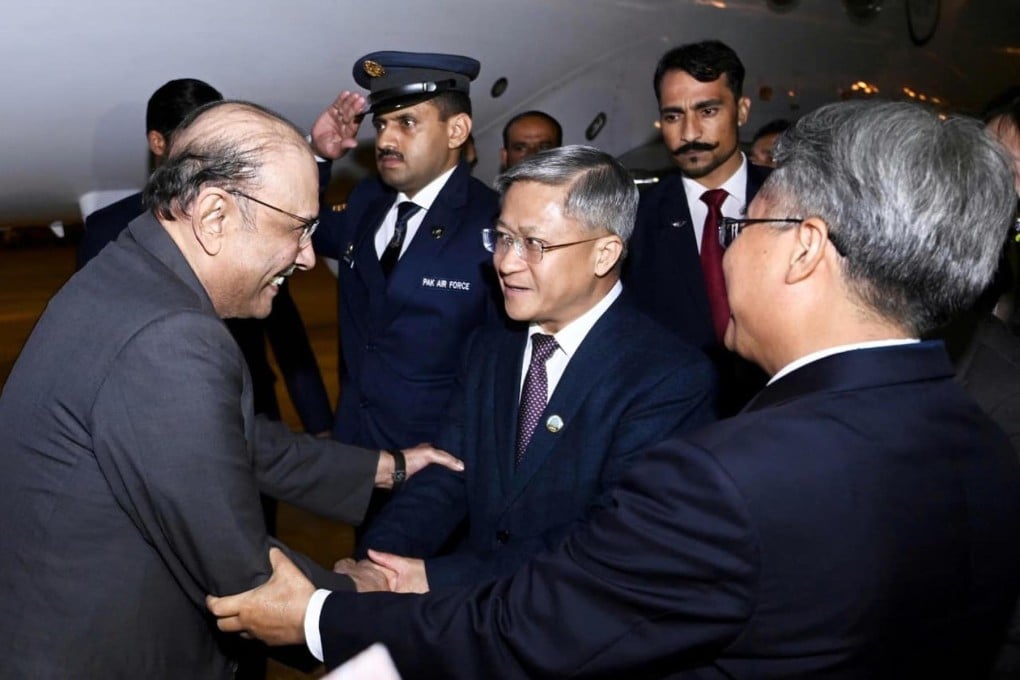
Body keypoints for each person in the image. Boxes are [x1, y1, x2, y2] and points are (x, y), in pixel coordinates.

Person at [209, 100, 1020, 679]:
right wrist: (388, 562)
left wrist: (322, 615)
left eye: (743, 229)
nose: (724, 254)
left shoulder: (730, 469)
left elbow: (545, 623)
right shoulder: (981, 437)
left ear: (805, 249)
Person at [0, 100, 462, 679]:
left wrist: (386, 466)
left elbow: (232, 442)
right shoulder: (171, 338)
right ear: (215, 215)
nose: (306, 258)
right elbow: (241, 575)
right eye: (298, 229)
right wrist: (358, 595)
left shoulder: (129, 270)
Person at [353, 145, 717, 592]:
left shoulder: (668, 378)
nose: (505, 263)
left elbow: (613, 539)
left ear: (604, 255)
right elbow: (449, 474)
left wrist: (437, 577)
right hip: (474, 630)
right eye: (503, 238)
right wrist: (380, 562)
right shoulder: (489, 348)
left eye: (534, 243)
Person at [308, 51, 504, 530]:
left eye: (407, 123)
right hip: (364, 463)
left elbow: (502, 364)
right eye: (383, 124)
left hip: (445, 470)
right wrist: (317, 157)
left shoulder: (493, 223)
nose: (387, 140)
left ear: (456, 132)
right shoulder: (367, 201)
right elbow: (298, 228)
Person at [77, 79, 332, 446]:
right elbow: (94, 348)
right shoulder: (108, 232)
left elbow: (285, 327)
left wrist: (318, 421)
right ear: (158, 143)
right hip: (150, 431)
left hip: (252, 422)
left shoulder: (250, 220)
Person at [624, 40, 769, 414]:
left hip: (783, 415)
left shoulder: (793, 199)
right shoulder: (635, 220)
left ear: (741, 110)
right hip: (676, 424)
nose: (689, 133)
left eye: (707, 111)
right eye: (673, 116)